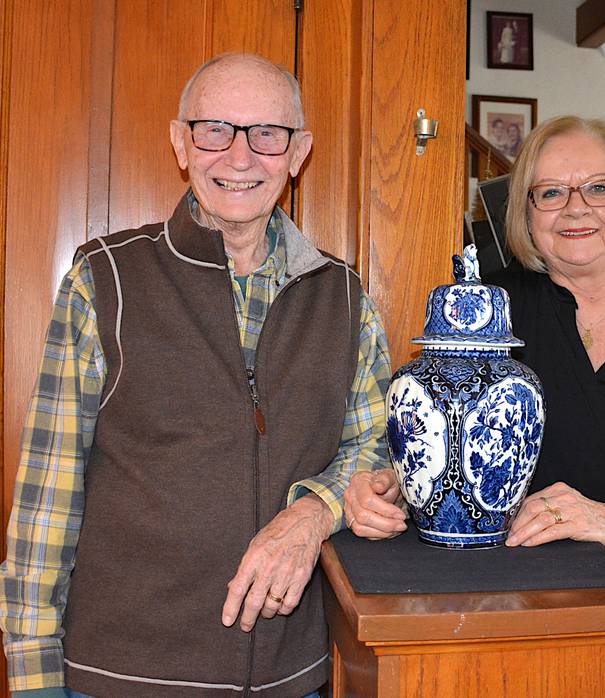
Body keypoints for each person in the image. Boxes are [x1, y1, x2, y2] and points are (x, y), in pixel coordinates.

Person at [0, 53, 390, 698]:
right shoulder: (105, 280)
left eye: (268, 134)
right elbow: (49, 493)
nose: (240, 157)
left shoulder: (343, 294)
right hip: (119, 678)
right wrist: (35, 675)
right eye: (215, 129)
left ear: (300, 153)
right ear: (181, 143)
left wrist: (313, 512)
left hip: (292, 677)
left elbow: (378, 446)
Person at [344, 116, 605, 698]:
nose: (576, 208)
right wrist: (390, 481)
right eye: (550, 192)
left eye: (598, 187)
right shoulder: (488, 311)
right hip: (523, 620)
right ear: (525, 213)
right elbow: (431, 433)